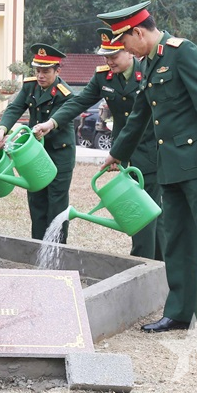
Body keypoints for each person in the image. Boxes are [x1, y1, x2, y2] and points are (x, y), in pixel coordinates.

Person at [97, 1, 197, 349]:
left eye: (125, 43)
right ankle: (179, 312)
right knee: (176, 241)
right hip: (170, 168)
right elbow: (140, 117)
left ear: (138, 32)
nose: (125, 51)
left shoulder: (183, 52)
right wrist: (117, 153)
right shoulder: (149, 64)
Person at [35, 29, 164, 260]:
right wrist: (51, 123)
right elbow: (80, 101)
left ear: (129, 51)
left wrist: (118, 151)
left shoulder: (147, 73)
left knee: (147, 212)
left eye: (113, 56)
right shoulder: (103, 76)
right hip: (123, 154)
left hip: (150, 150)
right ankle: (154, 265)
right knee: (140, 209)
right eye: (105, 56)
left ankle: (147, 264)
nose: (108, 61)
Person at [0, 44, 75, 242]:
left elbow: (54, 125)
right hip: (33, 156)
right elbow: (15, 108)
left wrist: (16, 139)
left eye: (46, 71)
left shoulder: (65, 94)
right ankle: (37, 246)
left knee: (56, 204)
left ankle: (56, 249)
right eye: (37, 70)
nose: (40, 75)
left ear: (57, 70)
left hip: (58, 155)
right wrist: (2, 130)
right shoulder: (30, 86)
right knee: (36, 200)